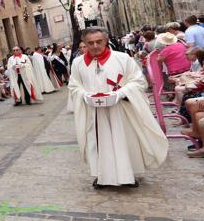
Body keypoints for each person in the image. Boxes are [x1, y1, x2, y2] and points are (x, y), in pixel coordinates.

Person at [69, 27, 168, 188]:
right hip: (94, 113)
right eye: (90, 43)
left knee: (124, 141)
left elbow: (138, 81)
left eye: (99, 41)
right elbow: (74, 86)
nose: (95, 46)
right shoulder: (78, 63)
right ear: (85, 43)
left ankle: (128, 174)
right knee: (98, 143)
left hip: (120, 110)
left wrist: (120, 93)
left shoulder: (122, 59)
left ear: (106, 40)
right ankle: (102, 176)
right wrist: (85, 95)